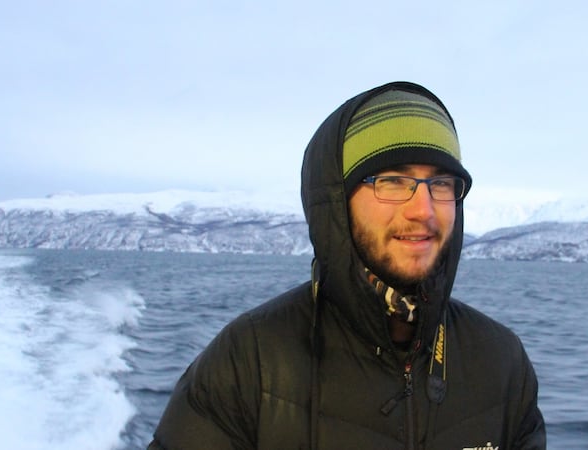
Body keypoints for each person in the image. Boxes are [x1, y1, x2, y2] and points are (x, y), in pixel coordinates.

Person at [148, 81, 546, 449]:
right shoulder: (250, 362)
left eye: (441, 183)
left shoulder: (502, 363)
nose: (423, 210)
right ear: (337, 200)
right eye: (393, 180)